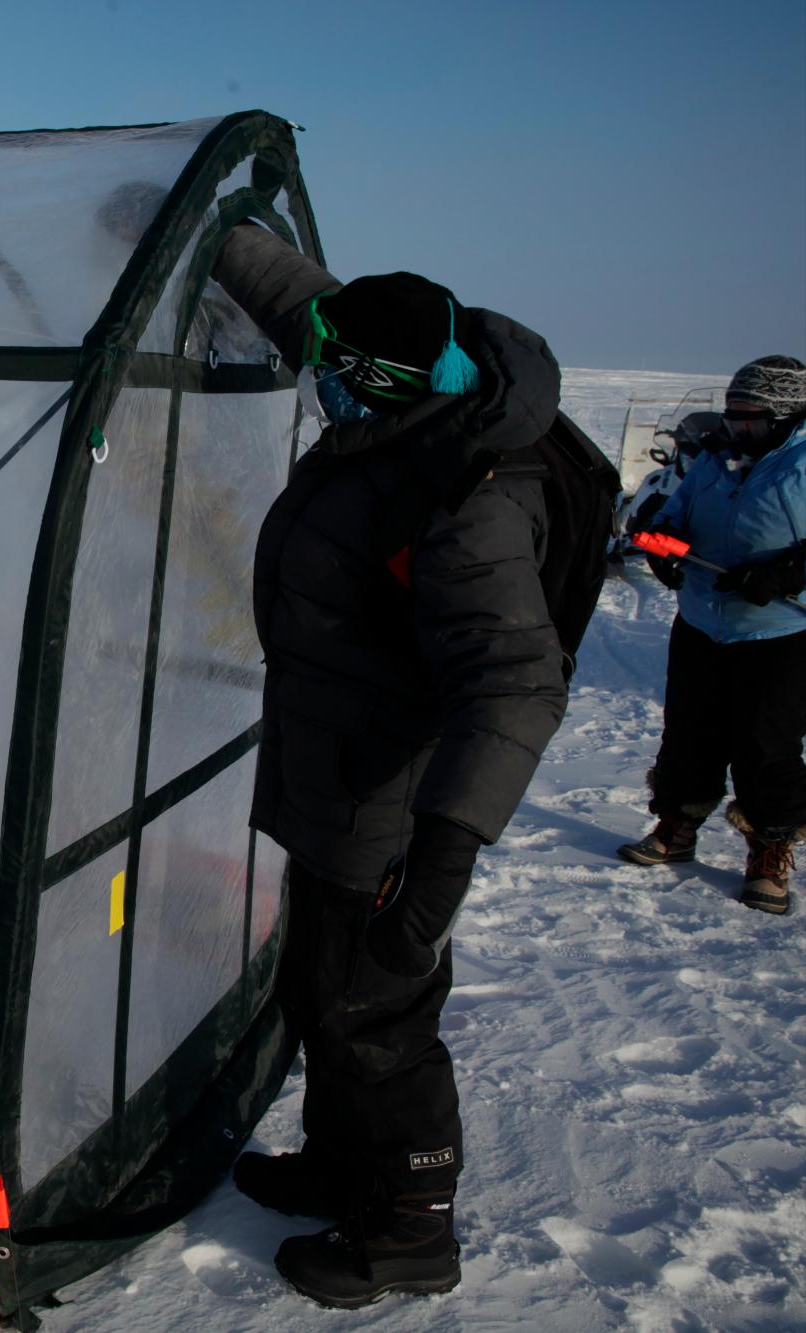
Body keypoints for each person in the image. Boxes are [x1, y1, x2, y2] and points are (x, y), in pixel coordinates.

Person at [207, 223, 577, 1308]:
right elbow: (312, 308)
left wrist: (443, 854)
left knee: (379, 1020)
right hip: (334, 778)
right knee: (327, 992)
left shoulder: (461, 497)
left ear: (375, 383)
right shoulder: (406, 384)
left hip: (390, 808)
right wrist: (206, 228)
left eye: (332, 373)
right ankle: (339, 1166)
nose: (315, 377)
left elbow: (512, 682)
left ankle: (408, 1227)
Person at [617, 356, 806, 913]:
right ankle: (676, 827)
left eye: (752, 419)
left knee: (766, 745)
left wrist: (788, 571)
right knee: (689, 733)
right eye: (732, 416)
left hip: (781, 630)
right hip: (703, 621)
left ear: (787, 415)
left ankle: (769, 852)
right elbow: (670, 516)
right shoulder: (714, 458)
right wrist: (664, 547)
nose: (738, 429)